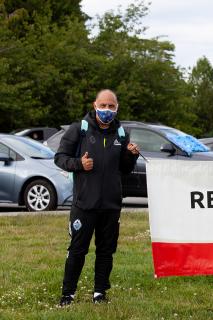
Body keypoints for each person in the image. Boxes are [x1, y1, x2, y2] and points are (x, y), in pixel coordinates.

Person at [55, 89, 139, 306]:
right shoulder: (79, 129)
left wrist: (131, 156)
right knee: (77, 250)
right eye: (103, 106)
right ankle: (68, 294)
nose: (107, 110)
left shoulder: (121, 133)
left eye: (111, 106)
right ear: (95, 105)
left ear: (117, 107)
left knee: (106, 252)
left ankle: (99, 293)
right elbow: (60, 158)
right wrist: (78, 164)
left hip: (111, 205)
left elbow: (125, 169)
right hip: (84, 204)